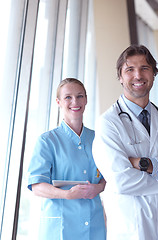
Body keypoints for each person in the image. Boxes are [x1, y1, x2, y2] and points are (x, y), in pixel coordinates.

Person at [92, 45, 158, 240]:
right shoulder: (108, 123)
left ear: (154, 74)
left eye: (145, 68)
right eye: (130, 69)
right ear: (120, 76)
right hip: (133, 229)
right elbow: (121, 180)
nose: (138, 75)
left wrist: (145, 164)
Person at [27, 78, 106, 240]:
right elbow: (37, 186)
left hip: (94, 224)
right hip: (60, 227)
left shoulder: (99, 139)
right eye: (68, 97)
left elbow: (109, 177)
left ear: (86, 99)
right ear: (58, 102)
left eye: (80, 96)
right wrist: (67, 195)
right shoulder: (47, 141)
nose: (75, 101)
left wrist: (97, 189)